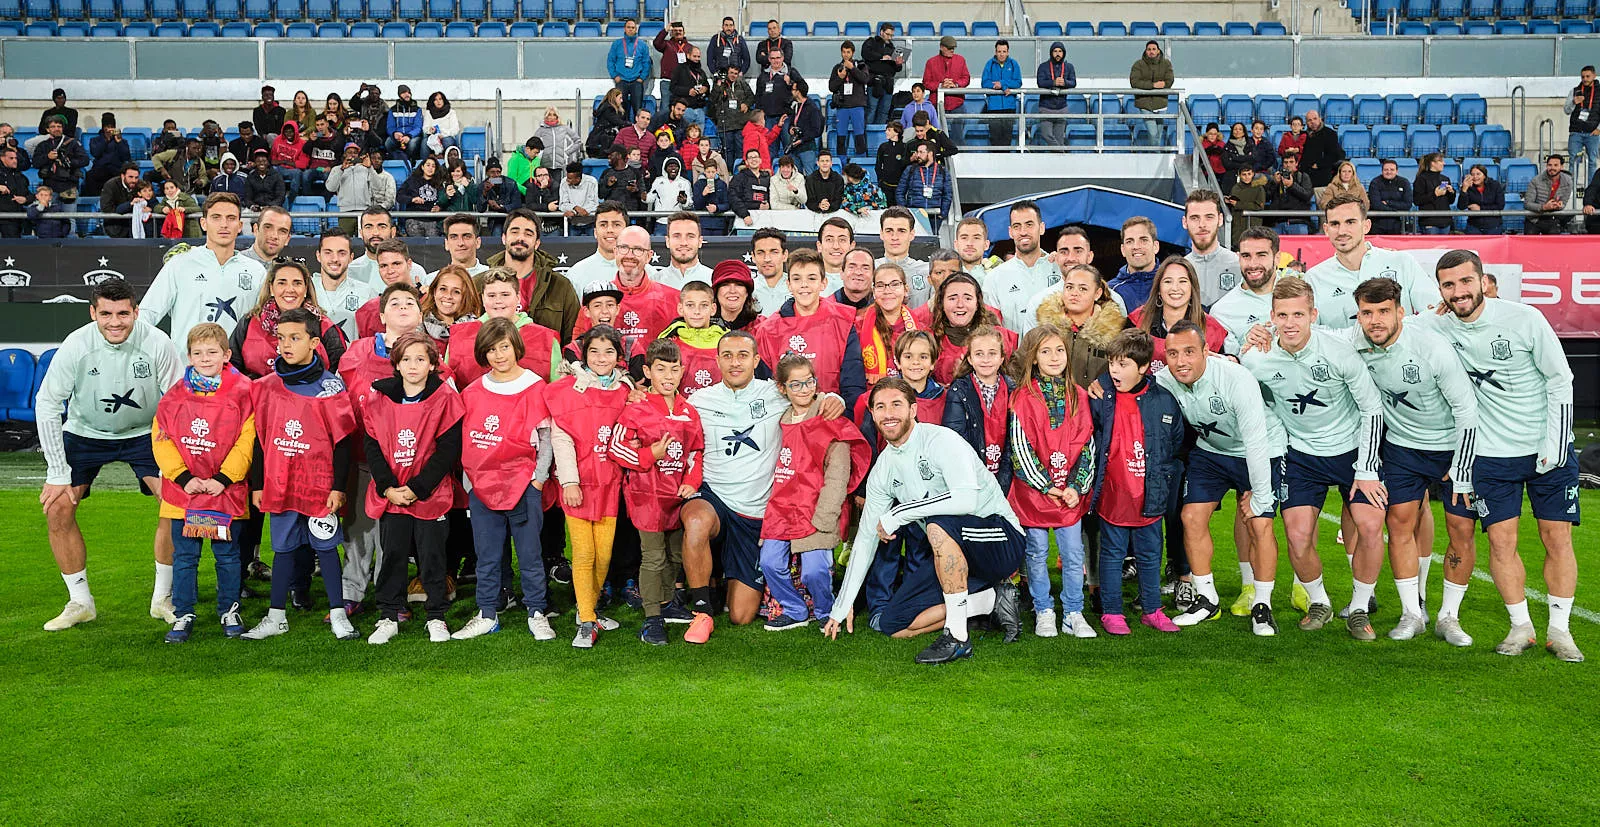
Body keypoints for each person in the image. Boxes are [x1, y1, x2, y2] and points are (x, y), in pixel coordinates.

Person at [1431, 253, 1585, 662]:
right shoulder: (1437, 325)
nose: (1459, 292)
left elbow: (1560, 379)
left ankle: (1560, 630)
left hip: (1546, 450)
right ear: (1440, 290)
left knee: (1557, 537)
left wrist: (1555, 443)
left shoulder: (1525, 318)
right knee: (1501, 543)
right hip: (1491, 454)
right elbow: (1383, 328)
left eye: (1466, 281)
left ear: (1483, 281)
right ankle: (1521, 627)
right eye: (1449, 285)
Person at [826, 378, 1025, 663]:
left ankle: (957, 637)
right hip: (951, 554)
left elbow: (966, 500)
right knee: (894, 625)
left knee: (938, 523)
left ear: (913, 409)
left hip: (999, 540)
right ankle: (990, 601)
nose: (888, 413)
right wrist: (842, 605)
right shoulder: (883, 469)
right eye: (880, 407)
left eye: (896, 404)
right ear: (872, 414)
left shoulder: (941, 440)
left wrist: (898, 513)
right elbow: (867, 537)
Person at [35, 279, 182, 631]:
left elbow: (179, 401)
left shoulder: (158, 342)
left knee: (175, 503)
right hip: (85, 432)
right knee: (57, 507)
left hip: (145, 432)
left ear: (136, 312)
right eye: (106, 314)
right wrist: (57, 472)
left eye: (122, 314)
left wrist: (178, 459)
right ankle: (80, 602)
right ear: (93, 313)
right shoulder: (76, 345)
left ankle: (163, 598)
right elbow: (48, 403)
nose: (115, 322)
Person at [1345, 277, 1478, 641]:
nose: (1375, 321)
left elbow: (1466, 410)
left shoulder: (1430, 348)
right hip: (1403, 447)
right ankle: (1412, 614)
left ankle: (1449, 617)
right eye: (1367, 313)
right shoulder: (1355, 341)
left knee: (1461, 529)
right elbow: (1314, 336)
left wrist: (1462, 466)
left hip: (1452, 447)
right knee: (1399, 523)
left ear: (1400, 312)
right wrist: (1264, 334)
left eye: (1383, 311)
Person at [1153, 320, 1286, 633]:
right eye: (1173, 353)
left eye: (1189, 352)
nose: (1180, 361)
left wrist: (1260, 494)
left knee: (1259, 522)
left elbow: (1256, 440)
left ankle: (1262, 604)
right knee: (1191, 517)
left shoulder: (1236, 378)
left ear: (1206, 351)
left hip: (1262, 449)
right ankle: (1207, 599)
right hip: (1212, 451)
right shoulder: (1164, 379)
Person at [239, 307, 361, 641]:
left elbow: (343, 442)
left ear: (314, 342)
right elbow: (261, 439)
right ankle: (276, 616)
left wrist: (338, 487)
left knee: (326, 548)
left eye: (295, 338)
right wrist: (259, 484)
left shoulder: (330, 387)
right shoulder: (266, 386)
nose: (286, 345)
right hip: (281, 484)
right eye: (281, 338)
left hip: (319, 486)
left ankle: (338, 614)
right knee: (282, 549)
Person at [449, 317, 558, 641]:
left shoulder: (535, 387)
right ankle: (487, 613)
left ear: (516, 347)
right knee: (487, 556)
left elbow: (546, 437)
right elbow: (466, 440)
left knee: (530, 554)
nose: (499, 355)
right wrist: (471, 482)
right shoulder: (472, 392)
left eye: (505, 347)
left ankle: (537, 611)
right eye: (492, 349)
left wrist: (538, 479)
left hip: (524, 485)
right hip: (483, 487)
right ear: (483, 353)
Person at [150, 322, 255, 643]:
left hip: (225, 493)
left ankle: (229, 610)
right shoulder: (175, 395)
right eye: (198, 353)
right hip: (185, 494)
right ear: (189, 356)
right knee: (185, 558)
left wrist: (224, 478)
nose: (205, 358)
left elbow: (247, 439)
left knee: (228, 557)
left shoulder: (244, 391)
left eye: (212, 352)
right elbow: (161, 438)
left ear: (227, 355)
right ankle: (183, 613)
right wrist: (184, 477)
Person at [359, 332, 463, 645]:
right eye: (406, 359)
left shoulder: (445, 397)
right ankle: (388, 615)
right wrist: (388, 487)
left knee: (433, 556)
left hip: (429, 493)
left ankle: (436, 616)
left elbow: (448, 449)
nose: (413, 365)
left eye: (420, 359)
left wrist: (418, 487)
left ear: (432, 364)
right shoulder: (379, 398)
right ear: (396, 364)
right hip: (392, 494)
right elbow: (372, 444)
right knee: (392, 554)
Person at [759, 354, 871, 631]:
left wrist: (826, 516)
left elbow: (838, 475)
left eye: (809, 382)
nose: (804, 389)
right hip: (782, 507)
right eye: (795, 384)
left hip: (817, 507)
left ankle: (824, 610)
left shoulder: (829, 418)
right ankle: (795, 609)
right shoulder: (780, 418)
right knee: (769, 562)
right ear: (782, 388)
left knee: (815, 570)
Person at [610, 339, 706, 644]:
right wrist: (649, 454)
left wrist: (692, 480)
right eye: (661, 369)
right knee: (653, 558)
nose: (668, 376)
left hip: (677, 497)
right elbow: (616, 448)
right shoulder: (636, 409)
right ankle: (652, 618)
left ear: (682, 371)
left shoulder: (689, 411)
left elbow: (696, 452)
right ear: (648, 372)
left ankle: (667, 602)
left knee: (675, 555)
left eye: (674, 369)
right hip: (647, 497)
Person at [1005, 324, 1096, 638]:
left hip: (1069, 494)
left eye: (1059, 350)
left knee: (1073, 555)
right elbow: (1019, 448)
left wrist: (1076, 486)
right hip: (1035, 494)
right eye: (1045, 351)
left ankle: (1073, 612)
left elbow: (1087, 444)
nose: (1054, 357)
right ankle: (1043, 609)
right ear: (1033, 357)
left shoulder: (1078, 396)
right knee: (1036, 553)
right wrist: (1047, 486)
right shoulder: (1021, 398)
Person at [545, 325, 632, 646]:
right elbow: (561, 438)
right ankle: (586, 620)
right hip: (578, 486)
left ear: (619, 356)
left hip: (610, 485)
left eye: (609, 351)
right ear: (584, 355)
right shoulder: (567, 389)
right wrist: (569, 480)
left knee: (603, 555)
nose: (601, 358)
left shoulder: (626, 390)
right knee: (583, 554)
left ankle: (588, 609)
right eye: (594, 351)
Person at [141, 192, 266, 350]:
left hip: (235, 364)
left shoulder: (256, 271)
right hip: (186, 363)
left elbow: (264, 325)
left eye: (231, 218)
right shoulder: (179, 264)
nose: (224, 224)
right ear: (203, 223)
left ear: (240, 226)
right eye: (216, 217)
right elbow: (147, 314)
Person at [755, 249, 867, 413]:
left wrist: (841, 405)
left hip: (833, 417)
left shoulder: (843, 321)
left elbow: (853, 383)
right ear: (788, 284)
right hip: (785, 419)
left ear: (823, 283)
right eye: (797, 279)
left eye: (812, 278)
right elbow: (764, 387)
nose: (804, 285)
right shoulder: (769, 330)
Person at [1306, 194, 1440, 327]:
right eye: (1335, 224)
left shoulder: (1402, 262)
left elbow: (1435, 313)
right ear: (1326, 229)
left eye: (1350, 222)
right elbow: (1311, 332)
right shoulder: (1314, 278)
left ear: (1366, 226)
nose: (1342, 231)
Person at [230, 259, 346, 380]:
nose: (290, 289)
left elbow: (339, 374)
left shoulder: (323, 325)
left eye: (297, 283)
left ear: (306, 289)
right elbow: (232, 368)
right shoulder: (249, 322)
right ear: (271, 288)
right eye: (282, 283)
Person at [446, 269, 562, 387]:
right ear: (483, 298)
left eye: (505, 295)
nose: (498, 301)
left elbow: (558, 390)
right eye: (491, 295)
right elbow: (446, 388)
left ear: (518, 297)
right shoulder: (459, 336)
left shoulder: (546, 339)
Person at [940, 325, 1014, 489]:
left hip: (1005, 476)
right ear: (970, 359)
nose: (986, 359)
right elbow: (955, 439)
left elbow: (1014, 442)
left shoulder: (1013, 391)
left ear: (1002, 358)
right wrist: (978, 479)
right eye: (979, 354)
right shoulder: (959, 391)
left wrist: (1001, 483)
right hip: (971, 476)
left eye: (992, 353)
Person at [1034, 264, 1132, 387]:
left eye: (1083, 289)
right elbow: (1021, 366)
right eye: (1069, 287)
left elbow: (1129, 372)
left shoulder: (1117, 333)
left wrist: (1106, 384)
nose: (1074, 293)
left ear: (1097, 293)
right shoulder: (1045, 329)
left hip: (1097, 398)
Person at [1130, 257, 1228, 372]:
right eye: (1168, 281)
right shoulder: (1137, 321)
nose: (1175, 288)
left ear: (1192, 288)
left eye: (1183, 281)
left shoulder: (1212, 329)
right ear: (1158, 289)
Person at [924, 272, 1017, 384]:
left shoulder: (1002, 338)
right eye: (952, 298)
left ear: (977, 303)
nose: (960, 304)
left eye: (967, 298)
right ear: (941, 303)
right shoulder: (927, 340)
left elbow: (1017, 384)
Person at [985, 200, 1062, 334]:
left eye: (1029, 225)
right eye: (1017, 226)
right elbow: (992, 331)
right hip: (1014, 348)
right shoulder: (994, 278)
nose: (1023, 232)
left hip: (1055, 347)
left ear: (1041, 228)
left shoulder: (1060, 269)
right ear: (1010, 232)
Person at [1210, 227, 1284, 353]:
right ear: (1238, 258)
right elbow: (1227, 361)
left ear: (1277, 258)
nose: (1253, 264)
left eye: (1261, 255)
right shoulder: (1221, 311)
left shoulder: (1301, 295)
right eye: (1246, 256)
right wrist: (1247, 344)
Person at [855, 262, 916, 384]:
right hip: (871, 391)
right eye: (880, 285)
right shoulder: (857, 327)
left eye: (894, 284)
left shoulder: (921, 328)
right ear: (873, 291)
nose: (887, 291)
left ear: (906, 290)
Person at [353, 238, 426, 338]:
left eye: (396, 264)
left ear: (409, 264)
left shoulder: (430, 301)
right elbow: (366, 346)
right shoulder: (368, 311)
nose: (390, 271)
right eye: (383, 266)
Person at [1181, 190, 1241, 308]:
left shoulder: (1239, 265)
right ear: (1185, 222)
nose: (1202, 224)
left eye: (1209, 217)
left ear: (1220, 219)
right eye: (1194, 218)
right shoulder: (1179, 270)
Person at [876, 206, 932, 307]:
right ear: (881, 234)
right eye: (889, 231)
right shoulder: (869, 270)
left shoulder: (928, 271)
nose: (895, 237)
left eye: (901, 231)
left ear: (912, 234)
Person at [564, 201, 626, 285]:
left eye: (616, 225)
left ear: (627, 231)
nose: (610, 230)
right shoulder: (575, 274)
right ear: (595, 232)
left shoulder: (643, 272)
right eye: (603, 225)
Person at [922, 36, 971, 144]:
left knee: (958, 134)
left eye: (953, 48)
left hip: (956, 102)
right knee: (935, 134)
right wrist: (941, 85)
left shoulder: (960, 60)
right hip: (936, 104)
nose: (952, 50)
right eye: (949, 48)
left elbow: (966, 78)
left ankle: (957, 152)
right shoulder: (931, 62)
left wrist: (955, 84)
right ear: (941, 47)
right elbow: (926, 82)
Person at [896, 140, 952, 231]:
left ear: (930, 154)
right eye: (917, 152)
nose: (918, 155)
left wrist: (943, 213)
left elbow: (948, 194)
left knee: (932, 239)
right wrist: (906, 211)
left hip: (935, 215)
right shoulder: (910, 170)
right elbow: (900, 192)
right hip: (915, 214)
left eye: (921, 152)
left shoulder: (942, 171)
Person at [828, 41, 870, 161]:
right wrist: (840, 78)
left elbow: (865, 79)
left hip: (857, 105)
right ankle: (842, 162)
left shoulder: (861, 65)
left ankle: (861, 161)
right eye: (844, 52)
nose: (846, 54)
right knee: (841, 137)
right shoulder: (837, 68)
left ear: (853, 53)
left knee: (859, 135)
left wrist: (852, 68)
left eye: (848, 52)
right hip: (842, 106)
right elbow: (831, 87)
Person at [1108, 216, 1161, 309]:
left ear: (1155, 246)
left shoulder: (1171, 284)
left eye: (1143, 240)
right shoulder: (1110, 291)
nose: (1136, 246)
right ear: (1123, 250)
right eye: (1130, 241)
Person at [31, 116, 89, 201]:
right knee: (49, 209)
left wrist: (69, 162)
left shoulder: (73, 143)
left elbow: (85, 160)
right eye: (53, 127)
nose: (56, 129)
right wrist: (47, 157)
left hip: (69, 185)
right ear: (48, 129)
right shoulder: (43, 145)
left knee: (69, 210)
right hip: (50, 186)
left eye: (59, 126)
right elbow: (35, 163)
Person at [1128, 41, 1174, 147]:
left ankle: (1153, 154)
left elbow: (1169, 80)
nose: (1151, 51)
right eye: (1149, 49)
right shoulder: (1138, 64)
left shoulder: (1166, 64)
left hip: (1161, 103)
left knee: (1158, 135)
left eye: (1154, 49)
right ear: (1145, 51)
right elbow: (1134, 82)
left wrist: (1164, 84)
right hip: (1144, 104)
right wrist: (1153, 85)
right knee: (1153, 134)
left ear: (1158, 51)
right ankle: (1155, 155)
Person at [980, 40, 1022, 148]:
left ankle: (1006, 158)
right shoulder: (989, 64)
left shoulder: (1014, 64)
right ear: (995, 52)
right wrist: (1003, 86)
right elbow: (985, 83)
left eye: (1004, 51)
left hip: (1009, 107)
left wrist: (1002, 83)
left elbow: (1018, 82)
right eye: (999, 51)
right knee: (995, 138)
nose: (1001, 54)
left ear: (1008, 52)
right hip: (993, 107)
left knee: (1007, 138)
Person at [709, 66, 755, 165]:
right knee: (728, 151)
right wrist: (718, 85)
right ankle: (729, 170)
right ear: (727, 73)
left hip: (740, 124)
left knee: (740, 149)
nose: (733, 75)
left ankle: (738, 170)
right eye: (731, 73)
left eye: (735, 73)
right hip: (725, 124)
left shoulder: (742, 83)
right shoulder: (720, 85)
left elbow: (751, 97)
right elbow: (712, 100)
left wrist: (746, 104)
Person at [656, 211, 714, 289]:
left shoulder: (714, 280)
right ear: (667, 241)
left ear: (700, 241)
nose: (683, 243)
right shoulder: (654, 282)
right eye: (677, 236)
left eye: (690, 236)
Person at [608, 18, 652, 118]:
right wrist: (615, 76)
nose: (631, 29)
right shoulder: (617, 44)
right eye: (628, 27)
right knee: (621, 109)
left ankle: (638, 128)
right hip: (621, 81)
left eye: (633, 28)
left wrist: (642, 78)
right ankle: (622, 127)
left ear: (636, 29)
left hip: (636, 81)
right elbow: (610, 61)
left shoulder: (642, 45)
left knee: (638, 110)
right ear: (624, 29)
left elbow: (646, 63)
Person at [1034, 42, 1076, 146]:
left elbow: (1073, 82)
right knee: (1046, 135)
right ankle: (1061, 151)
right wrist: (1053, 82)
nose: (1057, 54)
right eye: (1055, 51)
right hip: (1046, 107)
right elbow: (1040, 82)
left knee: (1059, 139)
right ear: (1051, 53)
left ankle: (1059, 154)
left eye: (1060, 51)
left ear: (1063, 53)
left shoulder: (1069, 67)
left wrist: (1064, 82)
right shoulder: (1043, 66)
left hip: (1062, 107)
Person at [1563, 65, 1599, 185]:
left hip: (1592, 133)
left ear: (1594, 76)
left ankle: (1591, 188)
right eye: (1583, 77)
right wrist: (1574, 102)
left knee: (1592, 161)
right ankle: (1571, 187)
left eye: (1588, 76)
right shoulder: (1575, 91)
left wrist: (1599, 129)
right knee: (1573, 160)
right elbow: (1566, 110)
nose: (1585, 79)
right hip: (1576, 132)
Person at [863, 22, 905, 125]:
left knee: (884, 111)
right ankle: (868, 133)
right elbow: (865, 53)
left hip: (888, 82)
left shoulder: (893, 48)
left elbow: (897, 69)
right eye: (887, 34)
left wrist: (898, 64)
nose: (889, 37)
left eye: (891, 35)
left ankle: (880, 132)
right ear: (881, 32)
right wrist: (881, 57)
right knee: (872, 109)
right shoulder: (871, 42)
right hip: (874, 81)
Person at [1265, 151, 1314, 234]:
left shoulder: (1303, 177)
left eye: (1291, 162)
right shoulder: (1276, 178)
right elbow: (1266, 197)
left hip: (1298, 221)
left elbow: (1307, 195)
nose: (1288, 165)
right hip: (1277, 222)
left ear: (1296, 163)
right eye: (1285, 162)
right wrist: (1274, 183)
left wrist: (1292, 185)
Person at [397, 156, 446, 237]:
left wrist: (440, 207)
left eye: (433, 166)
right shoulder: (412, 181)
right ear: (422, 167)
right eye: (428, 165)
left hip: (433, 221)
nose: (430, 168)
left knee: (433, 242)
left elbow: (445, 200)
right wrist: (412, 199)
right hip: (414, 219)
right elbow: (399, 196)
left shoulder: (440, 183)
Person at [1524, 153, 1573, 235]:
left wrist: (1559, 205)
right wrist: (1544, 207)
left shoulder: (1568, 181)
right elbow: (1527, 204)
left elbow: (1563, 202)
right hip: (1534, 218)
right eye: (1550, 165)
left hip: (1552, 218)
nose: (1552, 168)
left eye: (1555, 165)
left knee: (1554, 235)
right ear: (1546, 166)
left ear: (1561, 167)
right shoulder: (1536, 181)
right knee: (1530, 235)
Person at [756, 49, 803, 127]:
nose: (776, 61)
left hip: (786, 116)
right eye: (773, 58)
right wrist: (759, 115)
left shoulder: (791, 72)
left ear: (782, 58)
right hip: (767, 118)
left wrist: (790, 83)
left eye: (778, 58)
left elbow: (804, 88)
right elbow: (758, 96)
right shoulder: (763, 75)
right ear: (769, 59)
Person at [85, 122, 132, 198]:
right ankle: (93, 198)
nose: (110, 129)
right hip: (100, 168)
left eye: (111, 126)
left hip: (116, 169)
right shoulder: (95, 140)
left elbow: (126, 157)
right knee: (90, 175)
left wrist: (119, 142)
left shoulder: (122, 141)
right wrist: (105, 140)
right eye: (107, 126)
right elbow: (96, 153)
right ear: (103, 128)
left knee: (124, 175)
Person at [1300, 110, 1344, 189]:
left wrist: (1318, 165)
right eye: (1309, 120)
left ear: (1320, 119)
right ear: (1306, 123)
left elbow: (1335, 155)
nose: (1313, 122)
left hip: (1323, 174)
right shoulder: (1304, 135)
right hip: (1306, 174)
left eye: (1315, 118)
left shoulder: (1330, 133)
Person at [1412, 152, 1455, 235]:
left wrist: (1451, 192)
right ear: (1433, 163)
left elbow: (1450, 201)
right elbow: (1417, 200)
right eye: (1440, 161)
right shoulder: (1421, 179)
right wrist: (1435, 194)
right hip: (1429, 222)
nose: (1444, 163)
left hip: (1446, 222)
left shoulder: (1445, 178)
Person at [711, 260, 760, 330]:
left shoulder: (762, 327)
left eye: (739, 284)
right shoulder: (702, 326)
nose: (732, 291)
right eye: (725, 285)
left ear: (747, 292)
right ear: (716, 292)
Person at [729, 148, 773, 227]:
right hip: (745, 219)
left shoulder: (767, 178)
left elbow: (773, 196)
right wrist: (744, 214)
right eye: (750, 158)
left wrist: (769, 205)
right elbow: (733, 198)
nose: (753, 160)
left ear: (760, 160)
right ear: (746, 162)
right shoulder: (739, 177)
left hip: (766, 218)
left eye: (755, 157)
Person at [1457, 163, 1505, 235]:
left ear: (1484, 176)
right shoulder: (1468, 187)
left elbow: (1500, 205)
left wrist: (1480, 208)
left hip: (1493, 227)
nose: (1475, 177)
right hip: (1474, 226)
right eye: (1472, 174)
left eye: (1478, 174)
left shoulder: (1495, 185)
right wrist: (1464, 189)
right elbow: (1461, 206)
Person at [1367, 158, 1412, 235]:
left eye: (1392, 170)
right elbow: (1376, 205)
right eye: (1386, 170)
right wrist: (1396, 210)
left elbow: (1407, 205)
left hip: (1397, 224)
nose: (1389, 172)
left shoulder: (1404, 182)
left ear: (1397, 171)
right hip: (1377, 224)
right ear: (1382, 171)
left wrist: (1388, 203)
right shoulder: (1375, 182)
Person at [670, 47, 712, 129]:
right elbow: (672, 87)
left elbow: (707, 86)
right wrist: (688, 91)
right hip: (686, 109)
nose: (697, 59)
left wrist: (705, 89)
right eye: (694, 56)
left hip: (700, 109)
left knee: (699, 135)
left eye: (698, 57)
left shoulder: (701, 72)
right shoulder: (679, 69)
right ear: (688, 56)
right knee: (685, 134)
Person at [560, 160, 601, 235]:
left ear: (578, 179)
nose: (567, 180)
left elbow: (594, 204)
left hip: (590, 223)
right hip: (573, 224)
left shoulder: (592, 182)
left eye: (570, 178)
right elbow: (562, 204)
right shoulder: (563, 182)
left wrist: (576, 211)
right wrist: (575, 208)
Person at [383, 85, 423, 162]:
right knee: (388, 142)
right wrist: (395, 133)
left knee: (412, 144)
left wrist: (409, 136)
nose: (407, 94)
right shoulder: (393, 110)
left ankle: (408, 161)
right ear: (399, 95)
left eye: (408, 92)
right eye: (404, 93)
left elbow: (418, 127)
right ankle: (395, 159)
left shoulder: (417, 109)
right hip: (398, 136)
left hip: (412, 136)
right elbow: (390, 126)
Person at [0, 146, 33, 238]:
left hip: (12, 219)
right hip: (4, 215)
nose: (15, 161)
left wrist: (25, 199)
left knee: (12, 245)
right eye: (11, 158)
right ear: (2, 158)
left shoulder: (19, 176)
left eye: (15, 158)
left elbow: (30, 195)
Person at [876, 121, 908, 206]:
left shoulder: (905, 147)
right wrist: (881, 180)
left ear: (897, 132)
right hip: (886, 186)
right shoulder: (883, 147)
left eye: (889, 130)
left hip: (901, 187)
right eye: (886, 130)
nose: (886, 132)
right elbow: (878, 165)